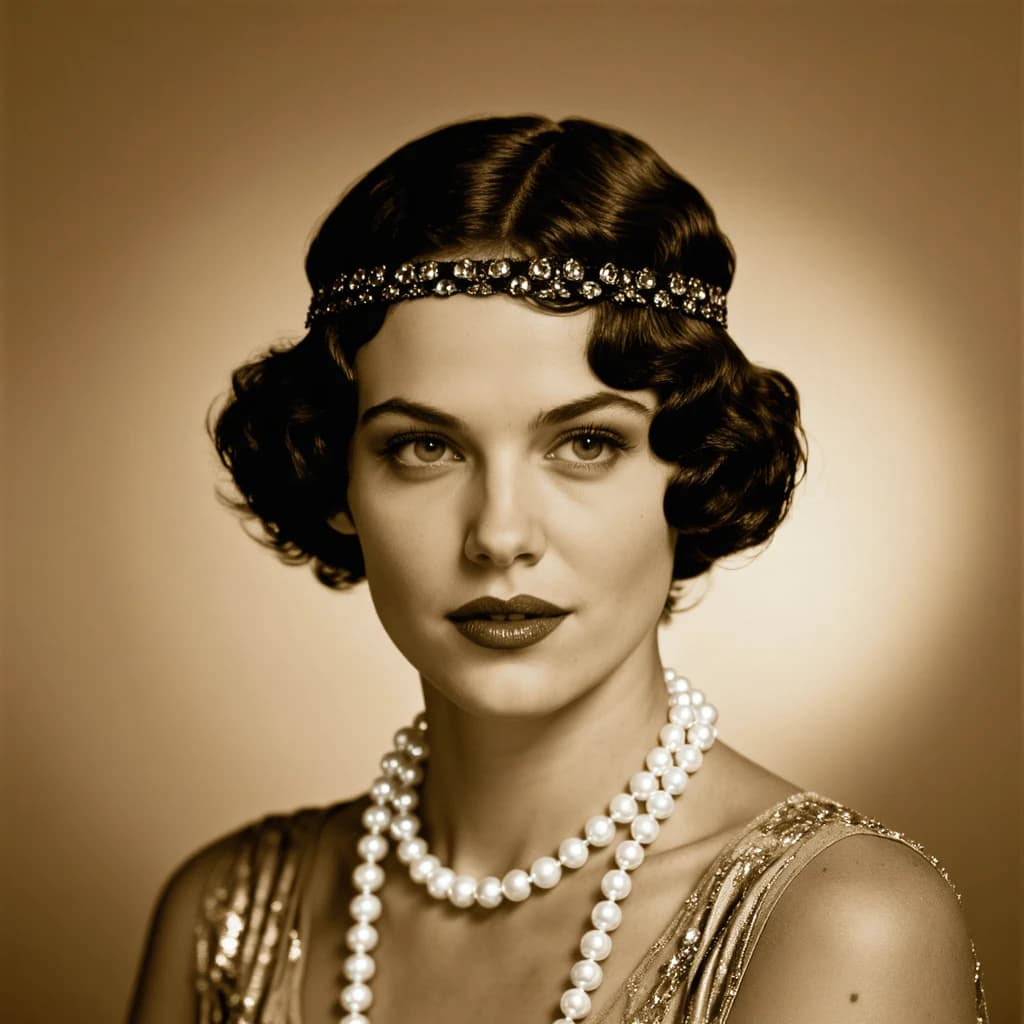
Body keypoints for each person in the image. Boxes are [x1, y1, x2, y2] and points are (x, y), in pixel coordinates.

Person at [129, 115, 987, 1024]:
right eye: (424, 446)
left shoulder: (847, 926)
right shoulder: (219, 913)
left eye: (585, 443)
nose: (500, 535)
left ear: (692, 467)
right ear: (336, 475)